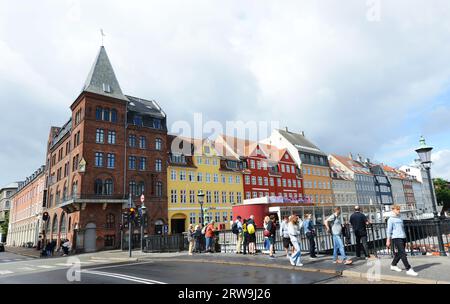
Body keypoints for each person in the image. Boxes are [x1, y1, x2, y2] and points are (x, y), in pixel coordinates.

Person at [386, 205, 418, 276]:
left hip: (403, 237)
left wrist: (405, 236)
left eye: (399, 209)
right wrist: (388, 240)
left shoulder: (400, 218)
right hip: (396, 238)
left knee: (400, 253)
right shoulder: (390, 219)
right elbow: (389, 231)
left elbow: (402, 228)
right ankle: (408, 269)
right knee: (403, 253)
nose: (398, 210)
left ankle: (393, 265)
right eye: (397, 209)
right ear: (393, 210)